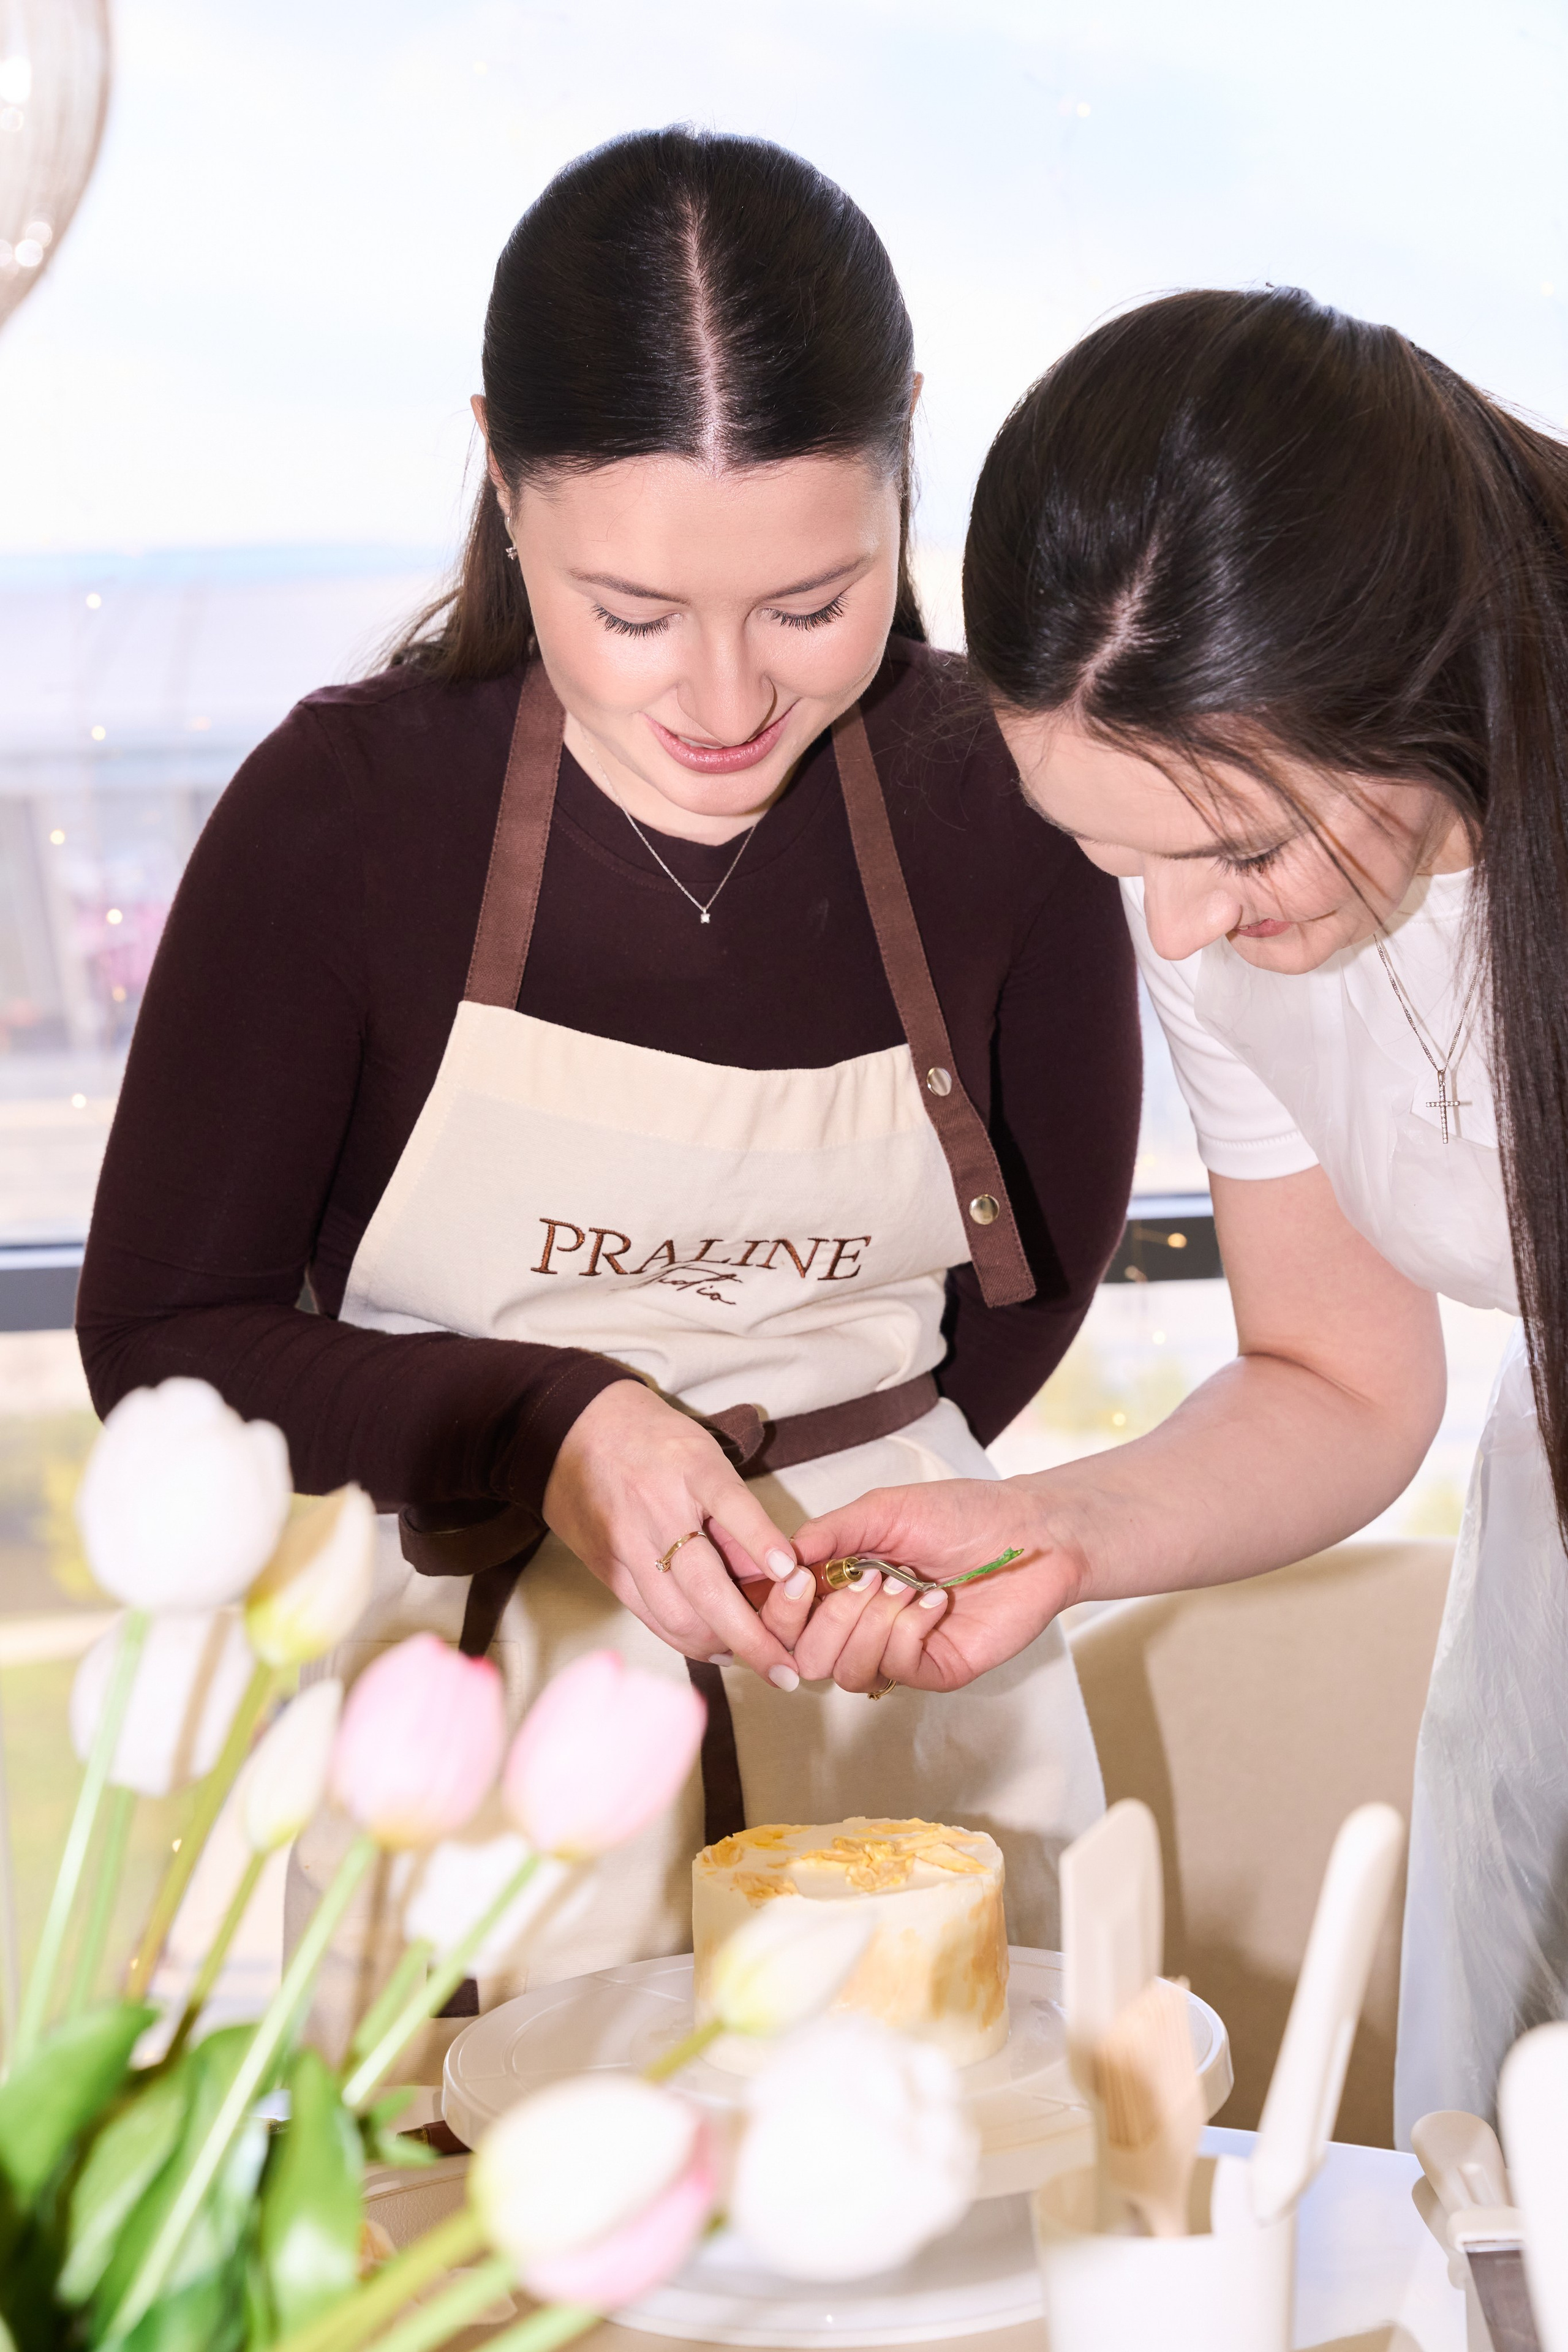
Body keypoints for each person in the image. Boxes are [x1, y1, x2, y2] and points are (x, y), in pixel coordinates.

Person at [76, 129, 1139, 2038]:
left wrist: (839, 1497)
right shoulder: (345, 815)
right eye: (633, 615)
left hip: (901, 1694)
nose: (725, 703)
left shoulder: (1007, 795)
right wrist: (548, 1428)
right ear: (501, 476)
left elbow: (1036, 1281)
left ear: (907, 453)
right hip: (472, 1744)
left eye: (812, 604)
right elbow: (161, 1344)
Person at [793, 283, 1568, 2134]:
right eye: (1112, 854)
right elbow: (1337, 1376)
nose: (1182, 925)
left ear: (1421, 674)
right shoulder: (1212, 902)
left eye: (1238, 850)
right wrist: (1049, 1528)